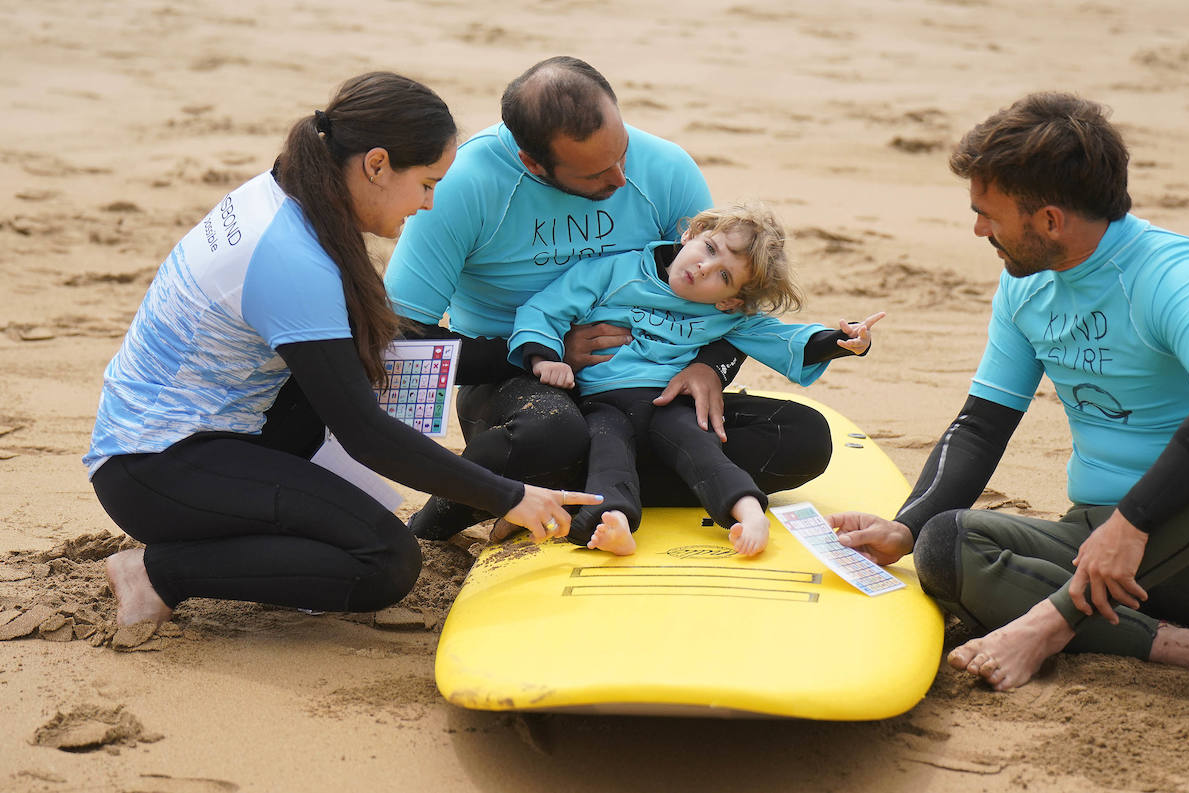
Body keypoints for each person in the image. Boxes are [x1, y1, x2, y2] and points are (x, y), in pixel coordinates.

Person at [827, 92, 1189, 691]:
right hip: (1095, 542)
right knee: (945, 543)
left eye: (989, 214)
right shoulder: (1024, 288)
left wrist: (1130, 523)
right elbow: (981, 424)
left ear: (1050, 220)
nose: (979, 229)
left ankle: (1051, 624)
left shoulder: (1168, 272)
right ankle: (1178, 646)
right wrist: (907, 526)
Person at [84, 72, 599, 627]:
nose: (428, 204)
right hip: (154, 465)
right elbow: (366, 434)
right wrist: (510, 495)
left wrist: (538, 351)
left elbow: (382, 344)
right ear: (376, 164)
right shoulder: (290, 255)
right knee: (382, 560)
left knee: (354, 473)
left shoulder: (295, 195)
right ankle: (158, 574)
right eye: (427, 183)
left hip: (214, 432)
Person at [383, 56, 834, 542]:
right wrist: (548, 354)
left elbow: (731, 296)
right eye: (597, 173)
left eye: (622, 152)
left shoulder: (664, 166)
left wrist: (711, 365)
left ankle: (573, 490)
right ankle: (494, 501)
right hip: (521, 392)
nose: (620, 178)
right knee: (553, 433)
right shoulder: (464, 185)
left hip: (654, 392)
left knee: (804, 439)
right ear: (532, 163)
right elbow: (402, 340)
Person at [510, 203, 884, 556]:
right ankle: (615, 522)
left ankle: (748, 510)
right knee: (609, 450)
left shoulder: (724, 315)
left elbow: (782, 338)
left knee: (702, 444)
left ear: (730, 301)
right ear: (692, 232)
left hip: (670, 404)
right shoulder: (616, 270)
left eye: (723, 275)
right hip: (603, 403)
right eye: (709, 248)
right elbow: (545, 308)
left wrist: (841, 341)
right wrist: (545, 358)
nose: (704, 267)